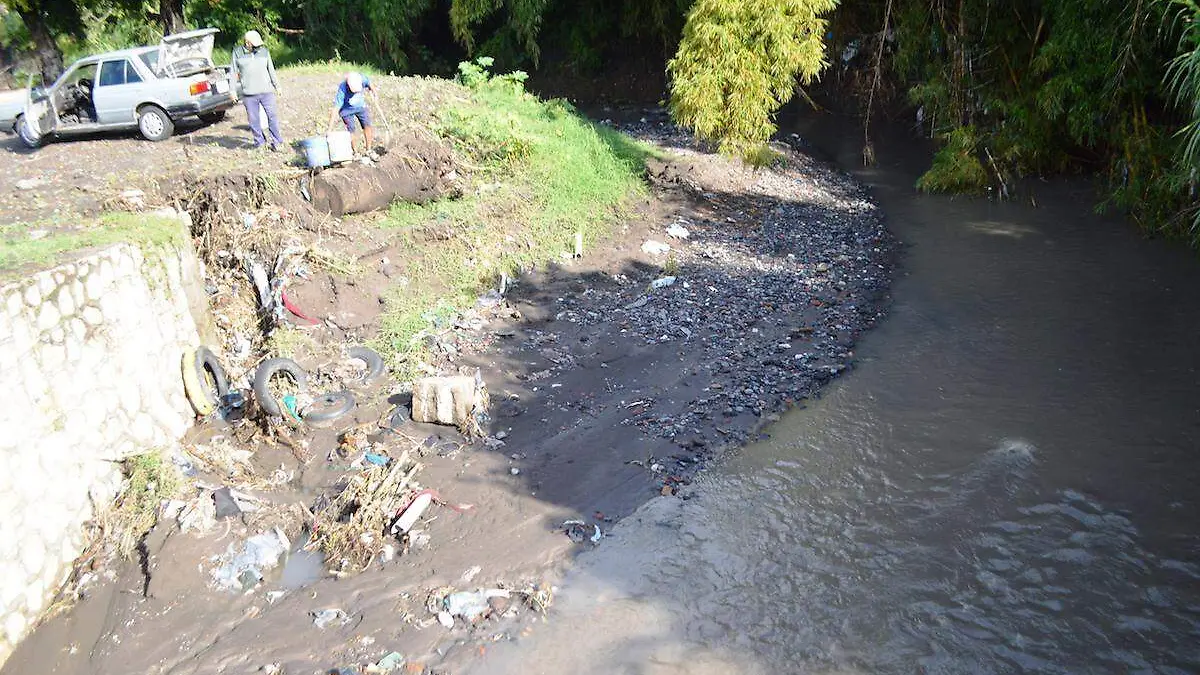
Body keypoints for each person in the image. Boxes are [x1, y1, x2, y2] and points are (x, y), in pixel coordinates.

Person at [230, 30, 283, 151]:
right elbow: (233, 72)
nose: (258, 46)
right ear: (247, 43)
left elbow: (271, 70)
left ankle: (277, 141)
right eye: (255, 44)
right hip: (249, 94)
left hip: (266, 91)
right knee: (254, 120)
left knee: (272, 116)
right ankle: (259, 142)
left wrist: (277, 86)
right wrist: (232, 90)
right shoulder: (237, 53)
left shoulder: (264, 52)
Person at [328, 72, 375, 154]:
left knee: (367, 125)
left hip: (360, 106)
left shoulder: (362, 79)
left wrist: (374, 92)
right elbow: (335, 109)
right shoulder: (342, 89)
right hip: (346, 110)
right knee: (351, 130)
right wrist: (329, 129)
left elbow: (369, 83)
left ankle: (369, 150)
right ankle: (356, 152)